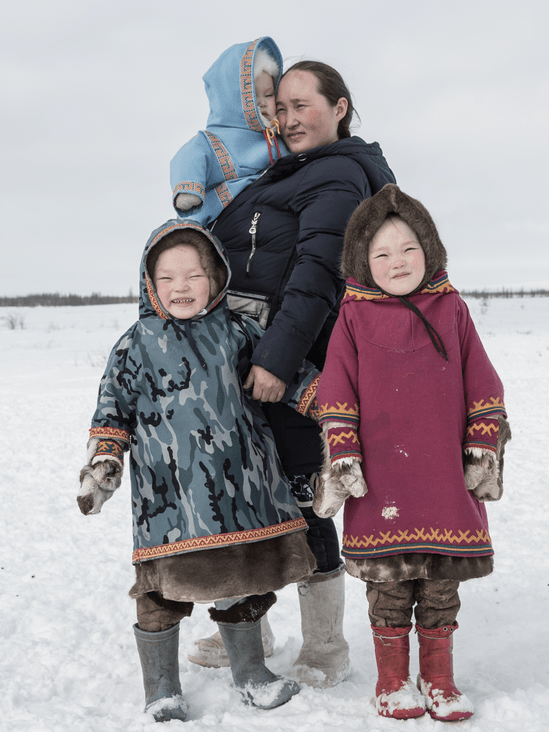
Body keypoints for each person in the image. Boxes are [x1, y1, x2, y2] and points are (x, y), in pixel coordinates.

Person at [185, 60, 397, 688]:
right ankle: (253, 626)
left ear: (340, 107)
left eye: (303, 104)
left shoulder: (339, 174)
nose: (289, 117)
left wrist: (277, 360)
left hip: (297, 362)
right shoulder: (279, 175)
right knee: (248, 498)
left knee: (306, 501)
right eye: (281, 107)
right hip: (242, 363)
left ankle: (326, 646)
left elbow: (316, 271)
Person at [76, 219, 322, 721]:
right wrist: (104, 459)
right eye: (166, 277)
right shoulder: (134, 344)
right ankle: (162, 687)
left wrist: (336, 410)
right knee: (162, 591)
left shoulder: (239, 332)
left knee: (245, 579)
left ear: (216, 276)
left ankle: (252, 674)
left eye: (193, 274)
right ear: (149, 284)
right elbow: (111, 410)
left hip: (243, 492)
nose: (181, 287)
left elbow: (290, 375)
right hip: (168, 499)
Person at [312, 184, 512, 722]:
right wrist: (344, 453)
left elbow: (483, 384)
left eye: (408, 250)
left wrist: (481, 448)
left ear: (430, 250)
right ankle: (392, 679)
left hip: (443, 478)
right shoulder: (352, 318)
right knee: (391, 586)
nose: (396, 262)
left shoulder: (452, 309)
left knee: (441, 586)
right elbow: (336, 391)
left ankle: (440, 678)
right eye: (381, 254)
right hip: (382, 482)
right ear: (361, 260)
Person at [170, 37, 287, 228]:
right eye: (253, 95)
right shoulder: (213, 140)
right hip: (221, 214)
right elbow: (188, 157)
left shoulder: (278, 137)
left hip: (267, 214)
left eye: (269, 94)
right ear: (233, 99)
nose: (262, 102)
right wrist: (189, 189)